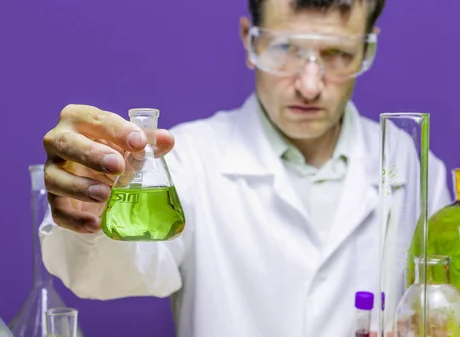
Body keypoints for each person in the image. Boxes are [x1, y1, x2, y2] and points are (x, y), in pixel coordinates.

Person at [39, 0, 452, 336]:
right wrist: (91, 204)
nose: (309, 85)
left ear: (367, 48)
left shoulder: (413, 166)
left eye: (338, 53)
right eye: (284, 48)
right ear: (249, 42)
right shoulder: (190, 157)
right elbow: (100, 276)